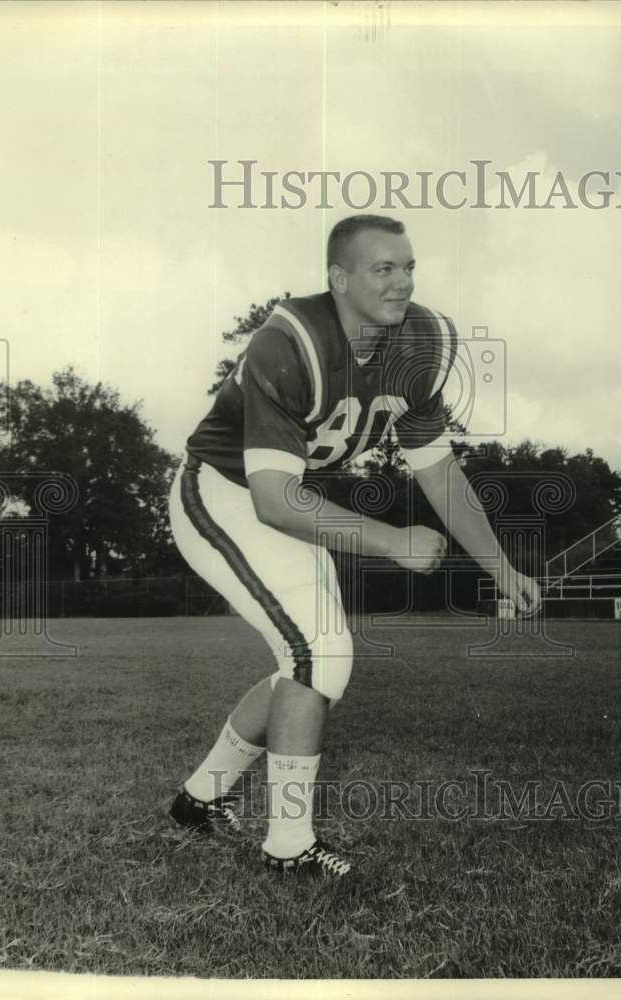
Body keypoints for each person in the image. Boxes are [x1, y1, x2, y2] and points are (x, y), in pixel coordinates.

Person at [168, 214, 540, 879]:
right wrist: (391, 540)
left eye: (407, 267)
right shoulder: (289, 343)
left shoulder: (421, 342)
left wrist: (498, 565)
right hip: (223, 494)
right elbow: (273, 499)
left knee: (311, 662)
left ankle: (200, 799)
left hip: (288, 497)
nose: (401, 283)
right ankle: (286, 847)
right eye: (382, 269)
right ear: (338, 278)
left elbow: (437, 468)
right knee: (318, 653)